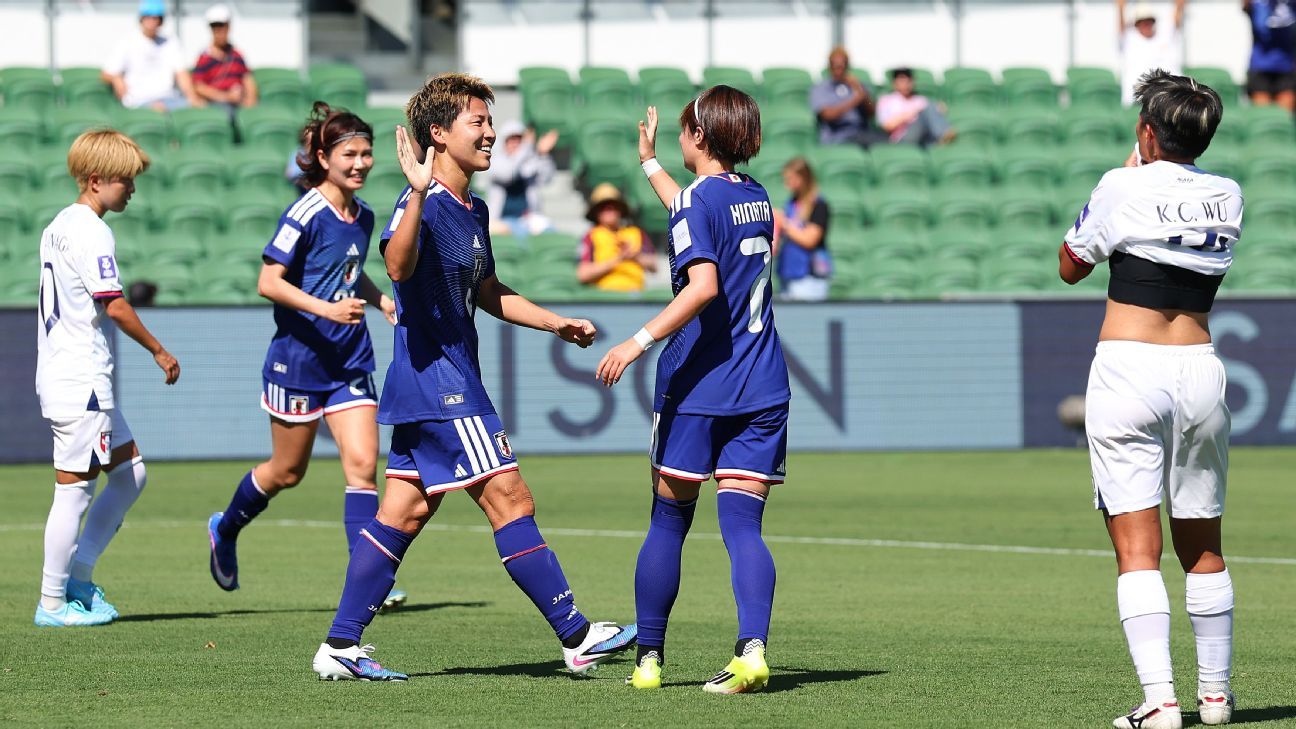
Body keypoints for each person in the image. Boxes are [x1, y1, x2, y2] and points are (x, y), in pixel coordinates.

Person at [309, 73, 636, 682]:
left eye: (490, 121)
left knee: (403, 513)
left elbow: (487, 290)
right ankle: (577, 635)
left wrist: (556, 323)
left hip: (431, 382)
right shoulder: (421, 201)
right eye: (477, 122)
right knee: (511, 496)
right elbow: (398, 266)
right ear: (438, 133)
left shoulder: (473, 208)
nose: (490, 133)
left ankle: (340, 646)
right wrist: (415, 193)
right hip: (442, 383)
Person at [1058, 70, 1240, 729]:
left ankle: (1161, 700)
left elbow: (1070, 265)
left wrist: (1130, 170)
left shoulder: (1120, 183)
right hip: (1200, 367)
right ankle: (1215, 696)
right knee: (1204, 543)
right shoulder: (1229, 193)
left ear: (1146, 132)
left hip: (1129, 367)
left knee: (1138, 549)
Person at [596, 87, 790, 694]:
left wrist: (636, 341)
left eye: (683, 131)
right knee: (744, 527)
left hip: (699, 387)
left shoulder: (695, 202)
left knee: (669, 520)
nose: (680, 138)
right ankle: (751, 652)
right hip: (763, 383)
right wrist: (649, 163)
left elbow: (702, 283)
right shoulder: (756, 196)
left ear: (699, 137)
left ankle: (649, 661)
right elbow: (693, 212)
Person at [206, 103, 402, 607]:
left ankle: (366, 581)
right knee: (287, 472)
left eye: (366, 154)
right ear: (323, 157)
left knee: (363, 464)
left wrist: (378, 299)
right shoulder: (304, 213)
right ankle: (225, 528)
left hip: (349, 360)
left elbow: (346, 269)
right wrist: (327, 309)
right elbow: (268, 281)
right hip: (298, 361)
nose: (360, 164)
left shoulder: (364, 215)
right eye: (349, 155)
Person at [34, 129, 181, 627]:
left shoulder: (59, 223)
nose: (132, 189)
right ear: (96, 180)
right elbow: (114, 304)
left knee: (130, 473)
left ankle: (79, 576)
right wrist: (159, 350)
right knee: (73, 491)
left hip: (70, 374)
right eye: (125, 181)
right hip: (80, 380)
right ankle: (52, 604)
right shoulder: (93, 231)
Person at [101, 0, 204, 112]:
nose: (152, 21)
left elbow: (181, 73)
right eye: (148, 17)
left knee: (199, 107)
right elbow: (106, 74)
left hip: (169, 98)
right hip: (138, 101)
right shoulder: (127, 42)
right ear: (141, 19)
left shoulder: (170, 42)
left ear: (161, 21)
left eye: (156, 18)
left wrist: (192, 98)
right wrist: (116, 79)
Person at [576, 183, 657, 292]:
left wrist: (635, 256)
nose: (609, 209)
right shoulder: (591, 236)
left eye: (613, 205)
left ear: (620, 209)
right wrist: (618, 259)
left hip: (635, 294)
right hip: (606, 294)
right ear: (596, 212)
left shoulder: (636, 233)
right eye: (603, 207)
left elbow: (653, 266)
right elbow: (583, 274)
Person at [484, 120, 557, 238]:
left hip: (528, 218)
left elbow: (546, 178)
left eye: (519, 139)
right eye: (511, 139)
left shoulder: (529, 161)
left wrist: (543, 154)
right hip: (499, 219)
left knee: (550, 233)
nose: (515, 143)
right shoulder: (494, 161)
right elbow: (509, 174)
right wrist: (527, 147)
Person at [773, 158, 831, 302]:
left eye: (791, 179)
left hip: (809, 278)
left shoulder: (819, 205)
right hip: (788, 274)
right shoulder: (791, 203)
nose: (787, 184)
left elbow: (810, 240)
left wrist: (784, 223)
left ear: (803, 178)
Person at [1118, 1, 1187, 107]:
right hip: (1138, 100)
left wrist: (1179, 6)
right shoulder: (1130, 39)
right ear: (1137, 24)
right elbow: (1121, 27)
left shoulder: (1165, 36)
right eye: (1142, 21)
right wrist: (1120, 8)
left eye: (1149, 20)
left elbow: (1176, 17)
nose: (1146, 24)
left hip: (1169, 97)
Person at [191, 4, 259, 111]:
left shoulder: (237, 56)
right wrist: (226, 97)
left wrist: (250, 103)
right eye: (215, 27)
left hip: (239, 104)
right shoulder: (204, 58)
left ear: (228, 27)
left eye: (222, 26)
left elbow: (248, 80)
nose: (219, 31)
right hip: (217, 105)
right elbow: (199, 87)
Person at [809, 46, 881, 147]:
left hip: (862, 132)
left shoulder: (857, 85)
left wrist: (861, 92)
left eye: (842, 67)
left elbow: (872, 110)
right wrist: (855, 100)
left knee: (888, 143)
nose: (839, 71)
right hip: (838, 136)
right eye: (836, 67)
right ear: (830, 67)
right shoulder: (820, 88)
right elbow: (828, 115)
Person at [876, 68, 955, 146]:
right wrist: (910, 114)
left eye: (908, 81)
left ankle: (943, 136)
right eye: (902, 81)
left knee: (930, 106)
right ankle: (943, 133)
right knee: (927, 108)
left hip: (925, 134)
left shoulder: (920, 99)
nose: (906, 85)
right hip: (902, 137)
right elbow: (887, 126)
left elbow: (938, 110)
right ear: (895, 83)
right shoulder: (886, 100)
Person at [1244, 0, 1296, 110]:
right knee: (1262, 116)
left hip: (1286, 67)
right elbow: (1246, 6)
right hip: (1260, 67)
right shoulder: (1258, 4)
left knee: (1284, 116)